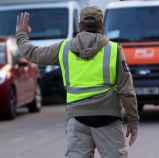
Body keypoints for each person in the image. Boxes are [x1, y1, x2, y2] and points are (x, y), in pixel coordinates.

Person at [16, 6, 139, 158]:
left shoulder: (64, 48)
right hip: (108, 118)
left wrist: (21, 34)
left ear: (80, 24)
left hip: (77, 119)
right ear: (101, 24)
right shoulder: (114, 50)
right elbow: (127, 91)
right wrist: (133, 120)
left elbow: (32, 53)